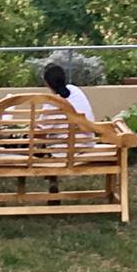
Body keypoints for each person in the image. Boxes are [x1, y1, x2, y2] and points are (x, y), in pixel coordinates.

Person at [40, 63, 95, 202]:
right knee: (51, 142)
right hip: (86, 145)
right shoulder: (76, 91)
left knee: (44, 145)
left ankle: (53, 184)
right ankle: (53, 184)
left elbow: (40, 131)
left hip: (64, 151)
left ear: (47, 83)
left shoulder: (51, 103)